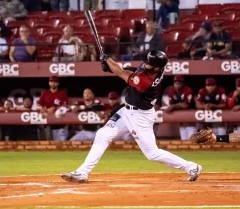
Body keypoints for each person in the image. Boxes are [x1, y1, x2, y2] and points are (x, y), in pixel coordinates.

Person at [61, 50, 202, 183]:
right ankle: (83, 172)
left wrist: (108, 60)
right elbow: (130, 71)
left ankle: (191, 166)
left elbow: (122, 73)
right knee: (103, 134)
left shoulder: (147, 80)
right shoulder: (152, 68)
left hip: (140, 116)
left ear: (156, 68)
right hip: (126, 111)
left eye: (148, 63)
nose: (145, 63)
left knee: (152, 154)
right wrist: (111, 66)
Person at [165, 75, 195, 140]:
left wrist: (174, 106)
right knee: (184, 141)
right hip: (182, 122)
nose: (177, 85)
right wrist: (177, 105)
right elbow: (170, 107)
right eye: (176, 83)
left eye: (179, 83)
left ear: (182, 83)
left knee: (192, 142)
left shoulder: (188, 90)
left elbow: (186, 105)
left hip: (191, 120)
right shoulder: (171, 91)